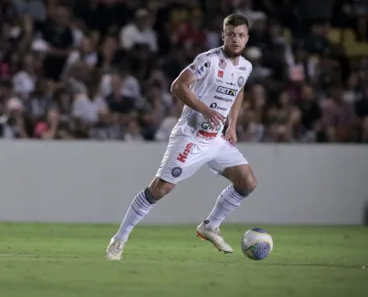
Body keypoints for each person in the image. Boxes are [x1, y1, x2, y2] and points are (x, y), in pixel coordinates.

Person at [106, 14, 257, 260]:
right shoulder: (207, 60)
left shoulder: (246, 66)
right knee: (160, 188)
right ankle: (119, 239)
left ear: (247, 37)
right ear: (223, 35)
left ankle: (210, 226)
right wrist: (206, 110)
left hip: (216, 139)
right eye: (231, 34)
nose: (236, 39)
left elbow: (238, 90)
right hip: (191, 135)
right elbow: (178, 86)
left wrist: (233, 124)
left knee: (247, 182)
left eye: (241, 35)